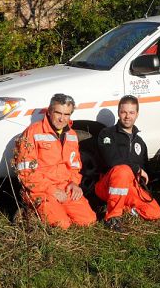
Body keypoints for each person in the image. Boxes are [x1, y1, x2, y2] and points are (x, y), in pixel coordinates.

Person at [13, 93, 97, 229]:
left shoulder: (72, 135)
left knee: (88, 221)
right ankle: (28, 213)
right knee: (61, 225)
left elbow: (75, 166)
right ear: (49, 111)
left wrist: (74, 183)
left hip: (65, 188)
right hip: (41, 190)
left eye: (66, 114)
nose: (62, 118)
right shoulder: (33, 132)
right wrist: (51, 190)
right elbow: (26, 172)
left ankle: (58, 210)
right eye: (58, 113)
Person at [95, 95, 160, 233]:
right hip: (107, 185)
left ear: (137, 114)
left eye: (131, 112)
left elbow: (147, 170)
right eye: (124, 112)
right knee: (123, 170)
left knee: (155, 213)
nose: (127, 116)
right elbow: (111, 160)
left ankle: (120, 207)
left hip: (130, 187)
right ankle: (112, 218)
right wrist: (136, 169)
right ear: (118, 113)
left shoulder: (140, 142)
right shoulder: (107, 134)